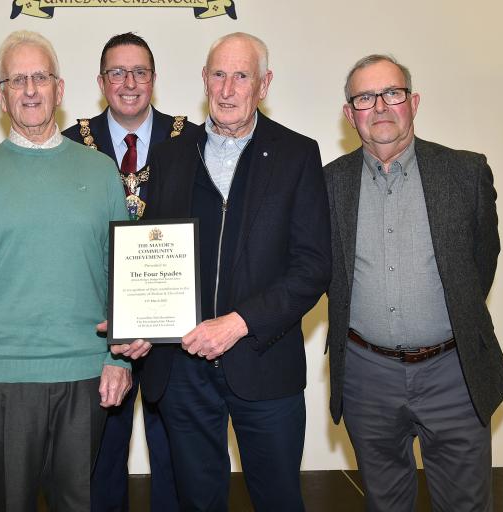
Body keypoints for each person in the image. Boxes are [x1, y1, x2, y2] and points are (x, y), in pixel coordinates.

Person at [116, 32, 331, 511]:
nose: (228, 89)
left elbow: (313, 267)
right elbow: (154, 250)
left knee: (278, 499)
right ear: (203, 80)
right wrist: (144, 323)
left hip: (263, 363)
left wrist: (239, 323)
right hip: (184, 369)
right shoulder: (171, 153)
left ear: (264, 84)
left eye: (242, 76)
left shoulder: (297, 154)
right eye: (219, 74)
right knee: (196, 500)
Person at [0, 30, 130, 512]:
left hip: (87, 375)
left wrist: (120, 358)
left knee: (78, 503)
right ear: (0, 95)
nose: (30, 89)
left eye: (40, 76)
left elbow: (123, 275)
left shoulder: (103, 171)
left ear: (60, 89)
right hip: (1, 380)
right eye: (16, 79)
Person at [324, 54, 503, 511]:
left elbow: (483, 260)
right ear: (350, 113)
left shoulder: (465, 172)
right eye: (365, 97)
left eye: (393, 93)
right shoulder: (329, 182)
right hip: (367, 375)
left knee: (466, 503)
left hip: (454, 372)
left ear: (414, 102)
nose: (381, 106)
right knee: (385, 502)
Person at [63, 32, 195, 512]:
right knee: (98, 460)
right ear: (101, 82)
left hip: (174, 334)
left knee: (178, 460)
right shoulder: (71, 142)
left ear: (154, 80)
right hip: (99, 332)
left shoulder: (190, 138)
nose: (129, 83)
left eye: (139, 72)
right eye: (117, 73)